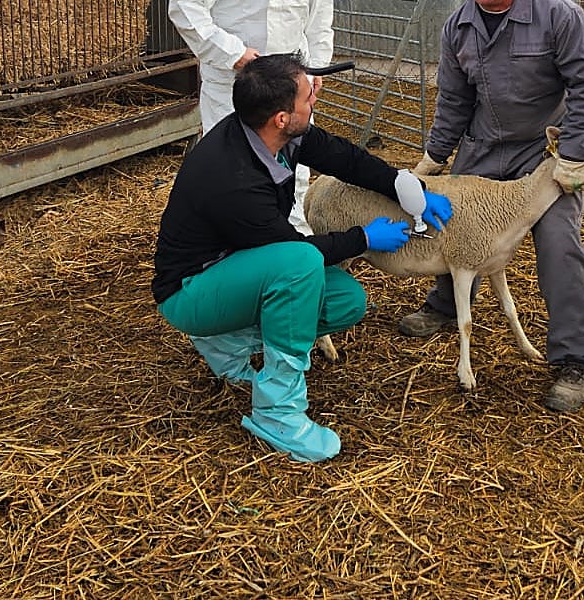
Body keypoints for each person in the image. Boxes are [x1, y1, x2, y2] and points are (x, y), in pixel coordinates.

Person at [152, 53, 453, 462]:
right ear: (280, 117)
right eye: (307, 96)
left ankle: (225, 341)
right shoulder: (231, 180)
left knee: (346, 300)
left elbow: (342, 157)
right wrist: (363, 237)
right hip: (192, 291)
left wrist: (401, 183)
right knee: (300, 267)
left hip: (240, 267)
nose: (315, 98)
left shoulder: (272, 134)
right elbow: (296, 251)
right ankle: (277, 409)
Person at [400, 0, 584, 413]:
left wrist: (573, 156)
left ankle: (578, 358)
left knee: (558, 241)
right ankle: (445, 306)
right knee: (448, 219)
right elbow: (452, 102)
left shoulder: (559, 15)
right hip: (482, 147)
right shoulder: (459, 26)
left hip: (542, 153)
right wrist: (432, 160)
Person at [167, 0, 333, 233]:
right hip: (234, 85)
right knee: (231, 167)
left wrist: (316, 67)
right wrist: (234, 54)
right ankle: (233, 244)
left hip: (290, 84)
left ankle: (293, 240)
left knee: (294, 162)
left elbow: (320, 11)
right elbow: (186, 9)